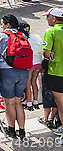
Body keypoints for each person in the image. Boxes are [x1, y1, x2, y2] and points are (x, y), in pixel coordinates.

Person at [0, 14, 29, 139]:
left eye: (3, 23)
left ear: (8, 24)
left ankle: (12, 130)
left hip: (7, 71)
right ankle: (22, 131)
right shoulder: (23, 35)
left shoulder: (0, 35)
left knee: (9, 103)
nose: (2, 26)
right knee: (18, 102)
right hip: (24, 71)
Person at [42, 8, 63, 137]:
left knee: (60, 104)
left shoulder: (51, 31)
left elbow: (46, 53)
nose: (47, 19)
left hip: (56, 72)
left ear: (54, 18)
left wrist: (53, 57)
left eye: (48, 17)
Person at [19, 22, 43, 112]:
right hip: (38, 62)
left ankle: (29, 102)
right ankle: (36, 101)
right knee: (34, 82)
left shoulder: (23, 38)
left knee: (28, 83)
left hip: (30, 63)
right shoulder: (36, 36)